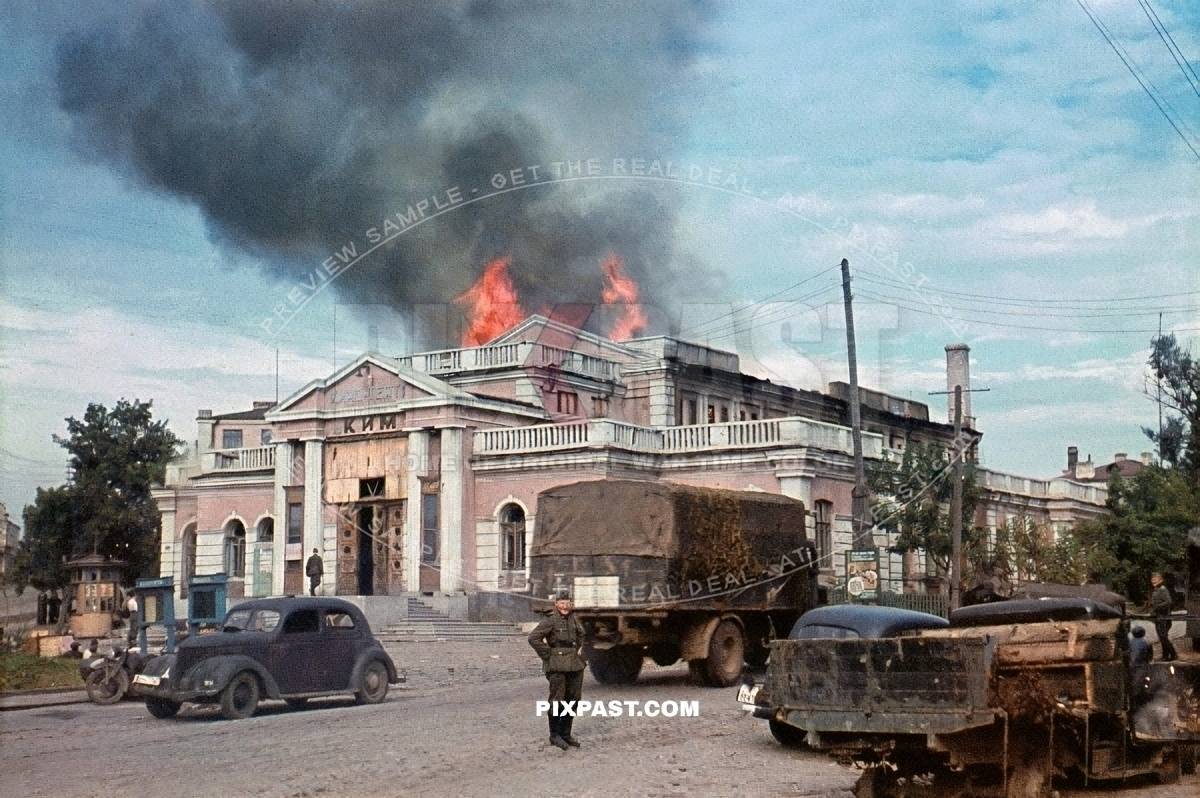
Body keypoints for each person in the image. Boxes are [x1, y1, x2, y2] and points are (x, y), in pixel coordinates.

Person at [528, 590, 586, 750]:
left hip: (575, 664)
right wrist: (548, 655)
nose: (565, 606)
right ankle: (554, 735)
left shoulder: (574, 619)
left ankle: (566, 733)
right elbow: (533, 638)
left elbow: (582, 636)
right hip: (557, 665)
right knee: (557, 700)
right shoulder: (551, 620)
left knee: (573, 699)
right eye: (561, 603)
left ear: (571, 604)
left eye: (567, 603)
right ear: (556, 605)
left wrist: (581, 655)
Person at [1150, 572, 1177, 662]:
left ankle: (1173, 655)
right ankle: (1165, 656)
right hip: (1158, 617)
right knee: (1162, 637)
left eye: (1156, 579)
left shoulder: (1163, 589)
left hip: (1163, 617)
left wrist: (1158, 607)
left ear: (1161, 580)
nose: (1153, 580)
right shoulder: (1156, 589)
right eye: (1152, 579)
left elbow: (1169, 601)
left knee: (1163, 637)